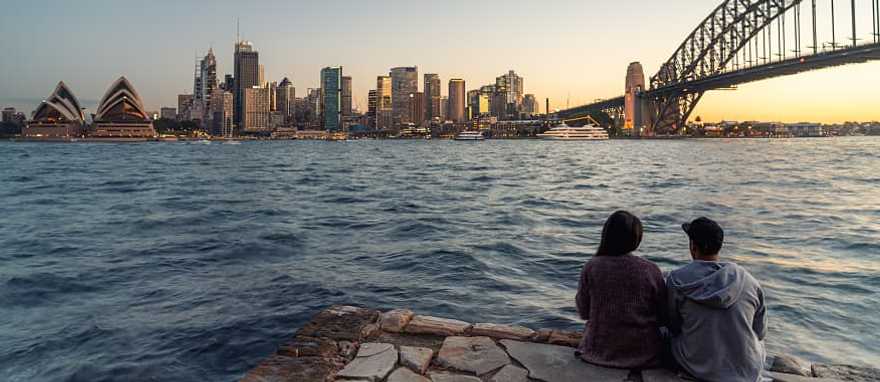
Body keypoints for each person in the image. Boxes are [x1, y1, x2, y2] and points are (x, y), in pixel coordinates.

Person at [666, 217, 767, 382]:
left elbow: (673, 326)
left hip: (699, 368)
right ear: (719, 246)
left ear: (692, 246)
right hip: (747, 372)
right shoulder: (748, 280)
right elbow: (760, 332)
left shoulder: (676, 279)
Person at [575, 211, 667, 369]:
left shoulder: (592, 266)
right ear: (636, 239)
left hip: (598, 351)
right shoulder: (650, 270)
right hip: (645, 354)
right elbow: (664, 316)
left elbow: (584, 312)